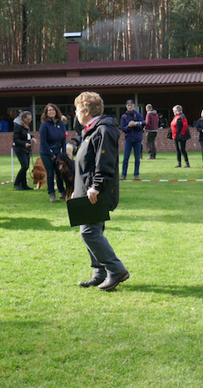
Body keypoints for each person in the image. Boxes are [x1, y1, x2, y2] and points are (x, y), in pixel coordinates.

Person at [73, 91, 129, 291]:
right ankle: (100, 272)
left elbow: (104, 161)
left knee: (89, 232)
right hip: (86, 190)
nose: (76, 114)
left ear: (86, 111)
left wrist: (96, 186)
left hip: (96, 191)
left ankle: (116, 269)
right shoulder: (91, 130)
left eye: (77, 110)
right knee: (92, 230)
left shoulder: (103, 129)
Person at [39, 103, 67, 202]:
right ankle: (51, 193)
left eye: (53, 110)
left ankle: (62, 192)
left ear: (56, 112)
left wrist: (64, 153)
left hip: (58, 152)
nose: (51, 112)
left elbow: (64, 139)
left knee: (60, 173)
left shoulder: (61, 124)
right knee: (50, 173)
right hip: (46, 153)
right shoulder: (44, 125)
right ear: (46, 113)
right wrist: (51, 155)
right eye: (49, 110)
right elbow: (43, 142)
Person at [120, 99, 145, 180]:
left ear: (134, 106)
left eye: (131, 105)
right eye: (128, 105)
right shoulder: (124, 116)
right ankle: (123, 175)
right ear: (126, 106)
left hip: (137, 139)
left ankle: (136, 175)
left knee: (137, 158)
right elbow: (123, 129)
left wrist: (135, 124)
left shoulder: (138, 115)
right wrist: (129, 126)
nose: (130, 107)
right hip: (128, 140)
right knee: (125, 158)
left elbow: (142, 126)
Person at [12, 111, 36, 190]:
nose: (30, 121)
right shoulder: (17, 126)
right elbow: (15, 139)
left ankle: (24, 185)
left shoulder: (26, 126)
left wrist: (32, 137)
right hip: (20, 149)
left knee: (26, 167)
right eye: (28, 119)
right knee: (25, 166)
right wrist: (24, 144)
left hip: (26, 149)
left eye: (31, 119)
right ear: (23, 118)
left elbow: (27, 134)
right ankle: (17, 183)